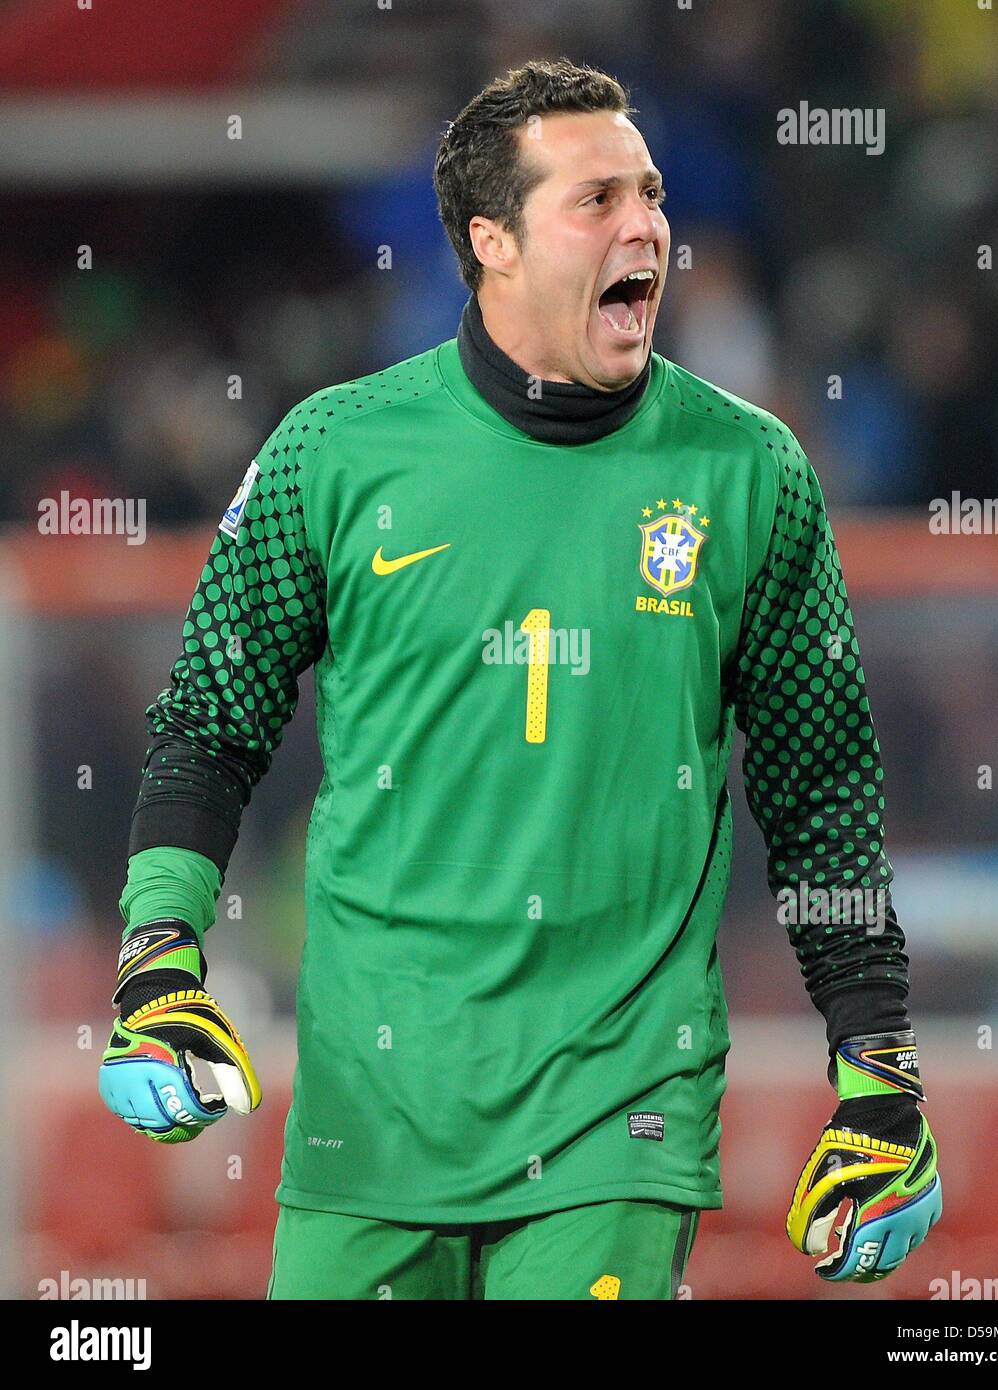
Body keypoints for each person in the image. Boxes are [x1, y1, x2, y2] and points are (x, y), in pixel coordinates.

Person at [99, 58, 940, 1300]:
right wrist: (158, 959)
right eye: (597, 199)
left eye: (650, 194)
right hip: (369, 1121)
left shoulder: (750, 471)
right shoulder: (332, 454)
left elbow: (824, 791)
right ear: (491, 239)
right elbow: (208, 724)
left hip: (620, 1121)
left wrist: (880, 1069)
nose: (648, 225)